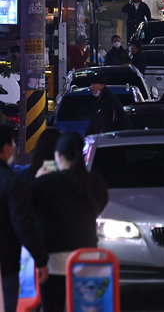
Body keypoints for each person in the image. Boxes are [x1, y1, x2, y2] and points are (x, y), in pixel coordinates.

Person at [31, 132, 108, 312]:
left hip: (54, 260)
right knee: (85, 307)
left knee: (53, 307)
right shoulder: (93, 181)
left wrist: (38, 179)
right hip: (87, 258)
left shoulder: (44, 183)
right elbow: (100, 205)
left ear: (58, 155)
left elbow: (30, 207)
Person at [0, 124, 49, 312]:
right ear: (6, 149)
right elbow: (24, 225)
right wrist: (41, 258)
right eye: (13, 143)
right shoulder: (11, 181)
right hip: (5, 265)